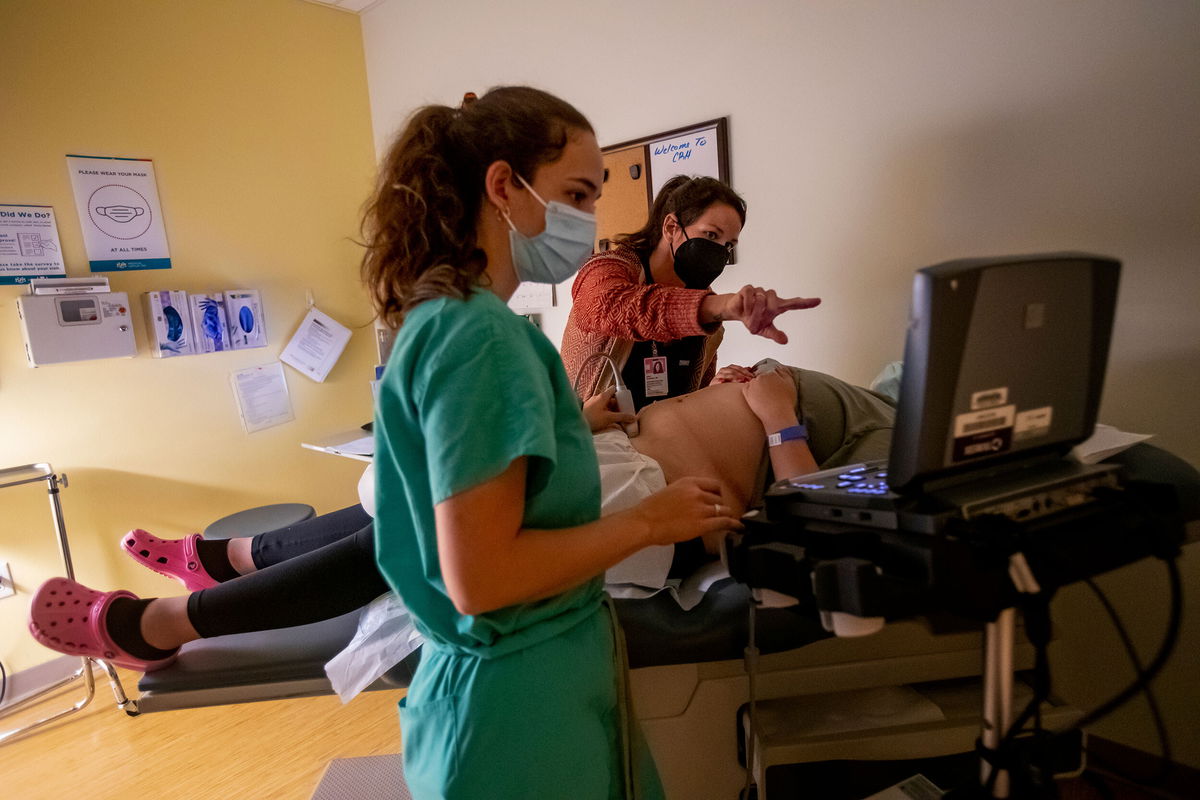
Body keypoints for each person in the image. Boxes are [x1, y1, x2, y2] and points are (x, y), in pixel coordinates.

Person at [29, 362, 896, 668]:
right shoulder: (899, 397)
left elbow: (825, 514)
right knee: (411, 502)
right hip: (618, 457)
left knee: (416, 537)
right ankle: (222, 565)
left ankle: (163, 623)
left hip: (646, 504)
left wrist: (780, 413)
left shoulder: (907, 450)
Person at [561, 175, 822, 408]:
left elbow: (688, 400)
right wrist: (720, 306)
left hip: (661, 446)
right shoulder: (610, 269)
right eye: (711, 235)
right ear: (671, 228)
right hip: (593, 444)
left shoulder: (709, 314)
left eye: (728, 245)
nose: (719, 251)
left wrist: (716, 388)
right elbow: (606, 308)